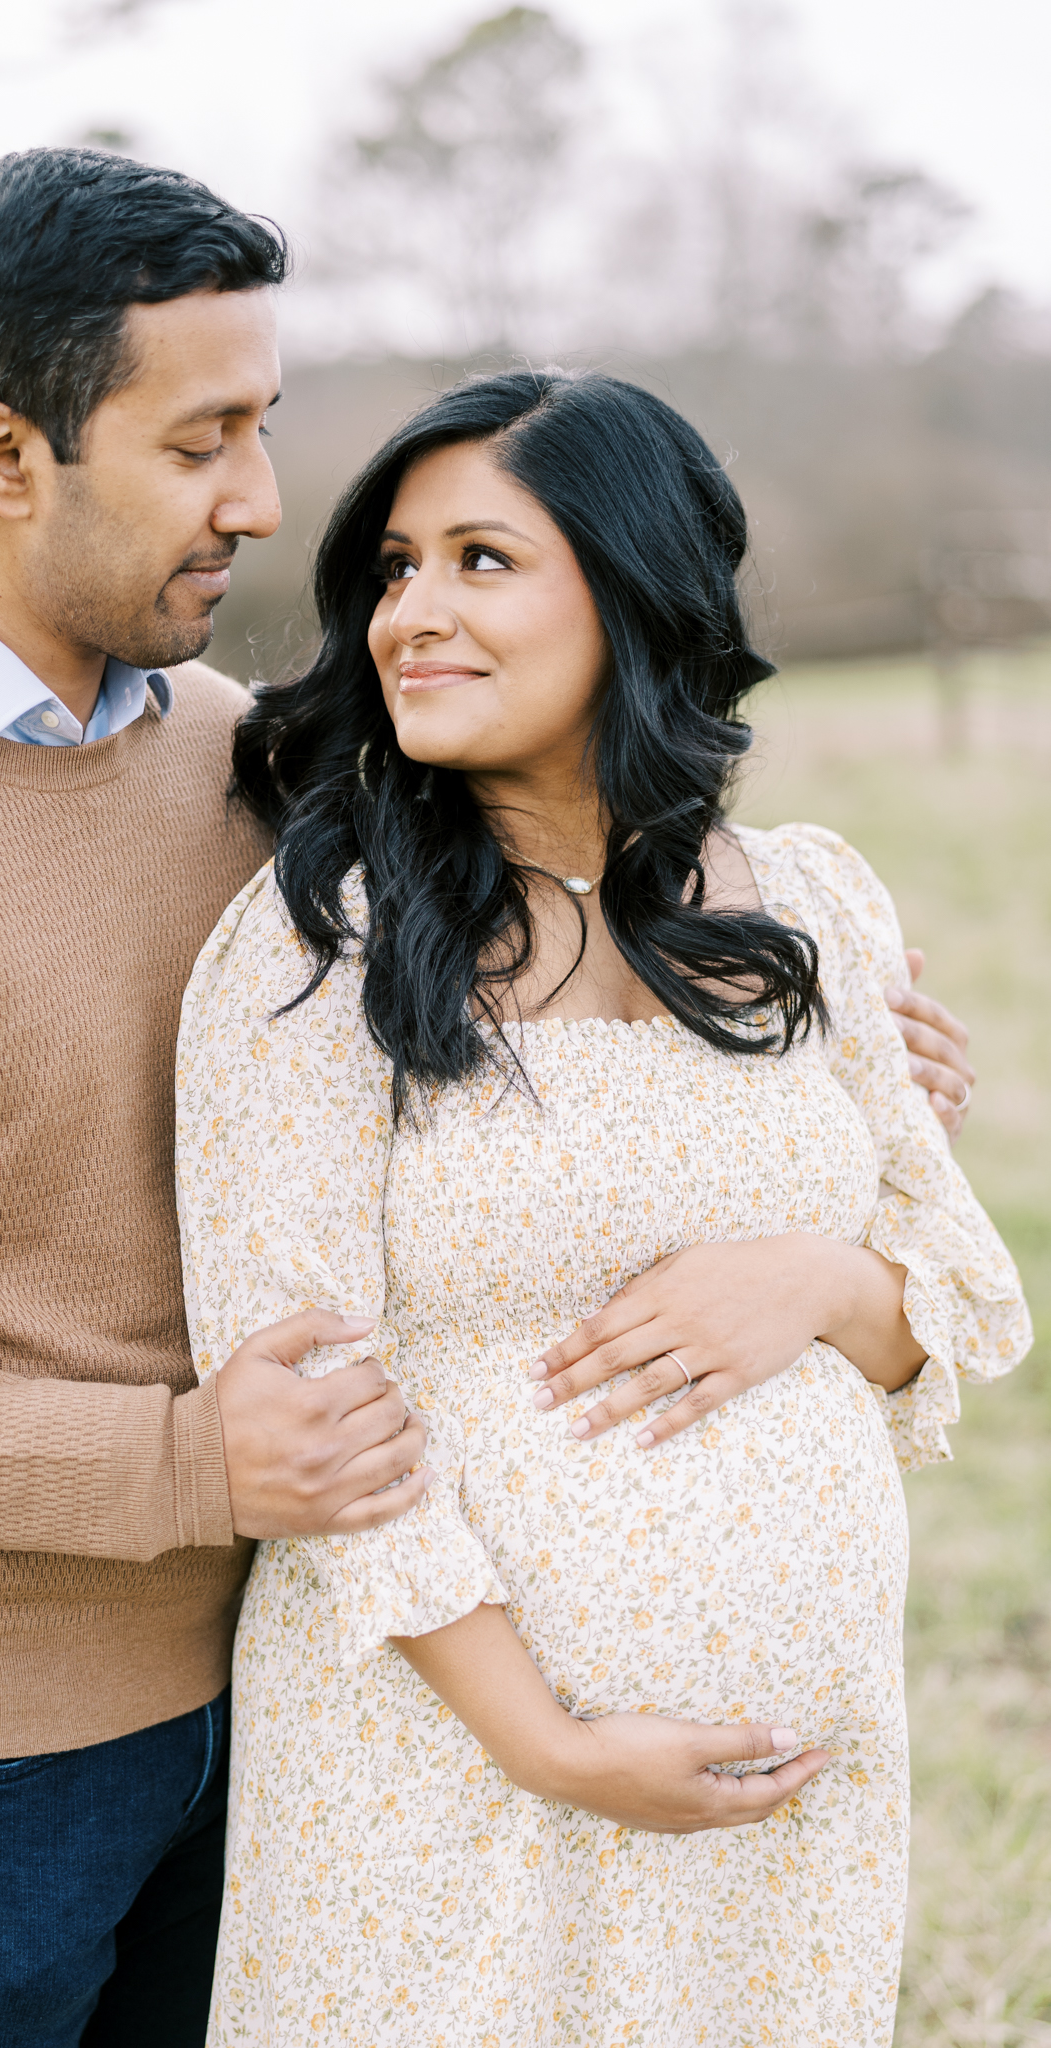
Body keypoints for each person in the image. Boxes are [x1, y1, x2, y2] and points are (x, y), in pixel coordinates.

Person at [0, 147, 975, 2046]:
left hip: (280, 1683)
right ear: (7, 457)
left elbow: (529, 945)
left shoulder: (257, 767)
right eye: (201, 440)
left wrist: (817, 1095)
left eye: (266, 427)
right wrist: (189, 1467)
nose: (259, 498)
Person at [174, 368, 1031, 2045]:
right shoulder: (317, 948)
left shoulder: (805, 900)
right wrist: (548, 1740)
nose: (412, 613)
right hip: (445, 1763)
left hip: (789, 1792)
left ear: (635, 592)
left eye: (481, 560)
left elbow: (952, 1289)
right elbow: (302, 1400)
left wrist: (808, 1281)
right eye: (395, 569)